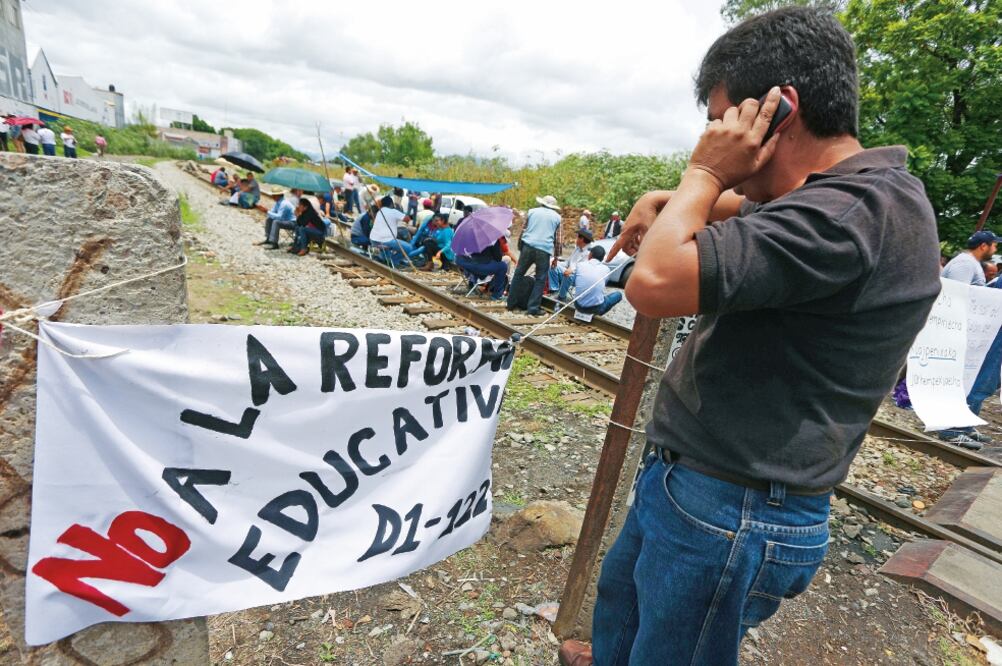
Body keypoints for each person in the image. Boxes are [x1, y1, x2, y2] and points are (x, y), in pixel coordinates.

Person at [558, 9, 941, 666]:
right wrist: (671, 195)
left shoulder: (849, 216)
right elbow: (765, 211)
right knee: (619, 627)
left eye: (720, 118)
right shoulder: (851, 198)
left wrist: (702, 175)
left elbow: (650, 282)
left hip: (730, 512)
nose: (713, 134)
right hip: (701, 488)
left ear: (777, 110)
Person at [933, 229, 1002, 449]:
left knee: (984, 380)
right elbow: (956, 295)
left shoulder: (970, 264)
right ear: (984, 245)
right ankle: (952, 427)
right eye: (994, 244)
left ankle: (963, 423)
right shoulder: (965, 264)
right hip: (975, 332)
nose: (996, 248)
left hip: (985, 331)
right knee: (975, 378)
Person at [508, 194, 562, 315]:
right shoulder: (557, 218)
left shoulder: (532, 212)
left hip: (528, 246)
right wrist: (556, 257)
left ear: (542, 203)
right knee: (540, 279)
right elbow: (558, 240)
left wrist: (520, 246)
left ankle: (511, 303)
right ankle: (533, 308)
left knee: (518, 274)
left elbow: (524, 229)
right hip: (544, 250)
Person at [456, 232, 509, 300]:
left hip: (465, 264)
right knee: (502, 266)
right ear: (501, 237)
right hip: (478, 266)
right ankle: (496, 295)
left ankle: (472, 284)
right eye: (505, 241)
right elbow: (498, 258)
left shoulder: (472, 235)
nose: (505, 243)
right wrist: (499, 247)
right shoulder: (493, 239)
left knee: (484, 263)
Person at [572, 246, 623, 316]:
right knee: (618, 295)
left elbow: (574, 283)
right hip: (596, 308)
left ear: (590, 255)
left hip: (578, 306)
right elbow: (602, 284)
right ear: (602, 258)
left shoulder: (580, 265)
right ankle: (598, 313)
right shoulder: (606, 269)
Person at [549, 229, 593, 302]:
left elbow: (583, 269)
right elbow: (567, 262)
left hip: (577, 276)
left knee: (569, 274)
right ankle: (554, 290)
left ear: (581, 239)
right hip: (568, 270)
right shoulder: (577, 249)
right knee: (552, 265)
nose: (576, 239)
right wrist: (556, 262)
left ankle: (561, 297)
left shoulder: (589, 252)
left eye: (577, 237)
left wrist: (572, 270)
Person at [370, 195, 414, 266]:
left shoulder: (379, 211)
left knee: (392, 242)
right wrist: (401, 212)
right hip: (385, 241)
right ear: (391, 204)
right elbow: (407, 219)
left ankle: (384, 259)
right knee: (409, 248)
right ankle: (393, 261)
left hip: (374, 240)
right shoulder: (393, 211)